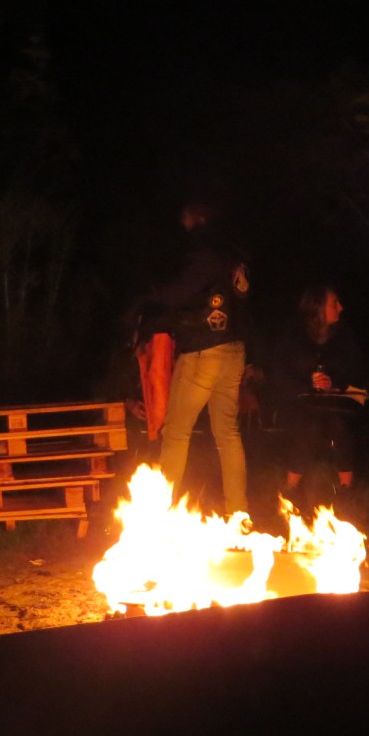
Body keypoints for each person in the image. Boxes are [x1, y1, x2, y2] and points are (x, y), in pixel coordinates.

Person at [147, 201, 253, 515]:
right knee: (228, 433)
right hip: (234, 349)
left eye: (185, 219)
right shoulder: (233, 251)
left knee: (176, 432)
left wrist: (151, 296)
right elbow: (244, 300)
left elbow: (178, 293)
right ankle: (239, 512)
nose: (183, 225)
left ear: (197, 218)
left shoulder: (204, 251)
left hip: (203, 350)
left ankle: (161, 515)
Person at [270, 284, 368, 512]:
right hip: (300, 402)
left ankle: (346, 490)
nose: (340, 308)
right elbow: (280, 373)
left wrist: (334, 383)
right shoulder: (295, 335)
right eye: (334, 303)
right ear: (318, 308)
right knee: (308, 427)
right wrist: (308, 382)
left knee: (338, 426)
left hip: (334, 405)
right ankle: (290, 490)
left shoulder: (343, 335)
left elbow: (357, 369)